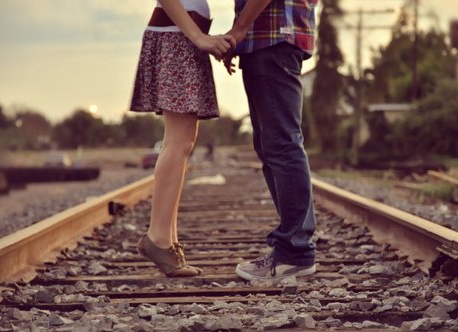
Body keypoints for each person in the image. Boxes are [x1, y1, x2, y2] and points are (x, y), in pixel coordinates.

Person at [129, 0, 235, 277]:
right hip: (177, 36)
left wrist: (208, 40)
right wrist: (199, 37)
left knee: (181, 142)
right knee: (178, 142)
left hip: (182, 35)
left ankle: (167, 240)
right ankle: (159, 239)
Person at [223, 0, 318, 280]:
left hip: (273, 36)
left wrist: (239, 29)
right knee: (272, 146)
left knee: (282, 144)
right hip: (267, 38)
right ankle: (293, 249)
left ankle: (295, 253)